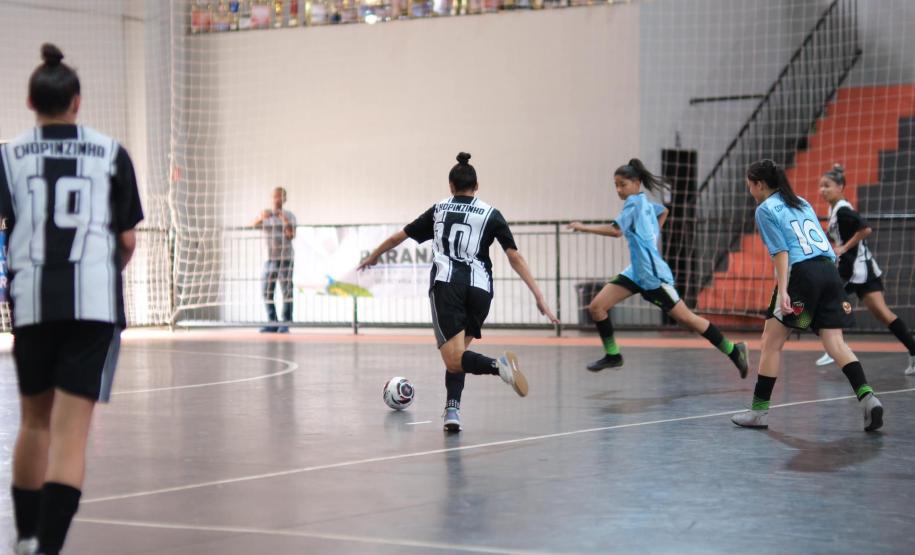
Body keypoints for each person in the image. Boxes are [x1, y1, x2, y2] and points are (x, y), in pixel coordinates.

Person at [0, 44, 144, 555]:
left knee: (33, 423)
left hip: (33, 302)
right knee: (70, 436)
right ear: (77, 102)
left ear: (29, 101)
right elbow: (126, 242)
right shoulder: (110, 153)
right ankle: (48, 549)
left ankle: (25, 537)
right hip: (93, 305)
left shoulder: (9, 156)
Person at [358, 152, 558, 432]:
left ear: (450, 186)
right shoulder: (491, 213)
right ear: (476, 187)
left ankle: (498, 366)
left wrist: (374, 256)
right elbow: (514, 256)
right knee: (459, 354)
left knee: (453, 357)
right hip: (480, 290)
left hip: (448, 286)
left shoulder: (440, 208)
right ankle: (452, 410)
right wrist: (539, 295)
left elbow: (398, 237)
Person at [732, 159, 882, 431]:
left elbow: (781, 252)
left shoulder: (765, 209)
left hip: (802, 275)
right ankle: (867, 397)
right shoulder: (801, 201)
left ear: (760, 185)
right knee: (835, 343)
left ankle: (759, 412)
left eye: (750, 186)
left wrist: (785, 290)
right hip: (828, 272)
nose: (750, 191)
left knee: (772, 342)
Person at [568, 158, 748, 377]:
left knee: (688, 319)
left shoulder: (634, 203)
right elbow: (664, 211)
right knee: (597, 307)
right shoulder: (644, 202)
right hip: (636, 272)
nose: (618, 189)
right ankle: (613, 356)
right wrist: (652, 236)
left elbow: (616, 231)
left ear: (636, 183)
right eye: (615, 185)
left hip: (653, 276)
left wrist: (583, 227)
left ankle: (733, 350)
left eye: (622, 184)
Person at [813, 164, 915, 374]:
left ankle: (835, 346)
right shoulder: (834, 209)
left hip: (857, 269)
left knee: (829, 301)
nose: (822, 190)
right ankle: (836, 345)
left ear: (840, 187)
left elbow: (866, 229)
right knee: (880, 313)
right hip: (856, 268)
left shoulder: (843, 210)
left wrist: (844, 247)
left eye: (827, 186)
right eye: (821, 186)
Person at [251, 186, 296, 333]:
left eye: (280, 197)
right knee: (267, 292)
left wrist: (283, 219)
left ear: (284, 199)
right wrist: (260, 218)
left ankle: (286, 323)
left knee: (286, 292)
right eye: (274, 197)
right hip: (269, 259)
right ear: (271, 198)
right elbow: (252, 226)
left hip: (285, 258)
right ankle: (272, 322)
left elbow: (291, 235)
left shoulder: (290, 215)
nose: (277, 199)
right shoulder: (266, 215)